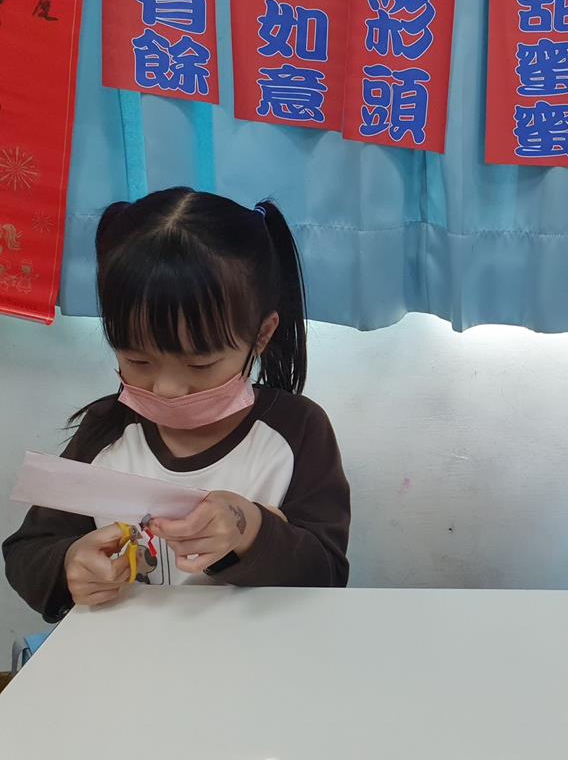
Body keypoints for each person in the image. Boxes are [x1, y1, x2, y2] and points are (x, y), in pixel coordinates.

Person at [4, 188, 350, 622]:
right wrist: (71, 563)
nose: (167, 389)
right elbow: (27, 552)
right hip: (133, 654)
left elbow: (327, 575)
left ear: (261, 336)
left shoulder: (297, 430)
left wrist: (249, 528)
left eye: (200, 364)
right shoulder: (107, 429)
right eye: (138, 360)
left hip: (259, 651)